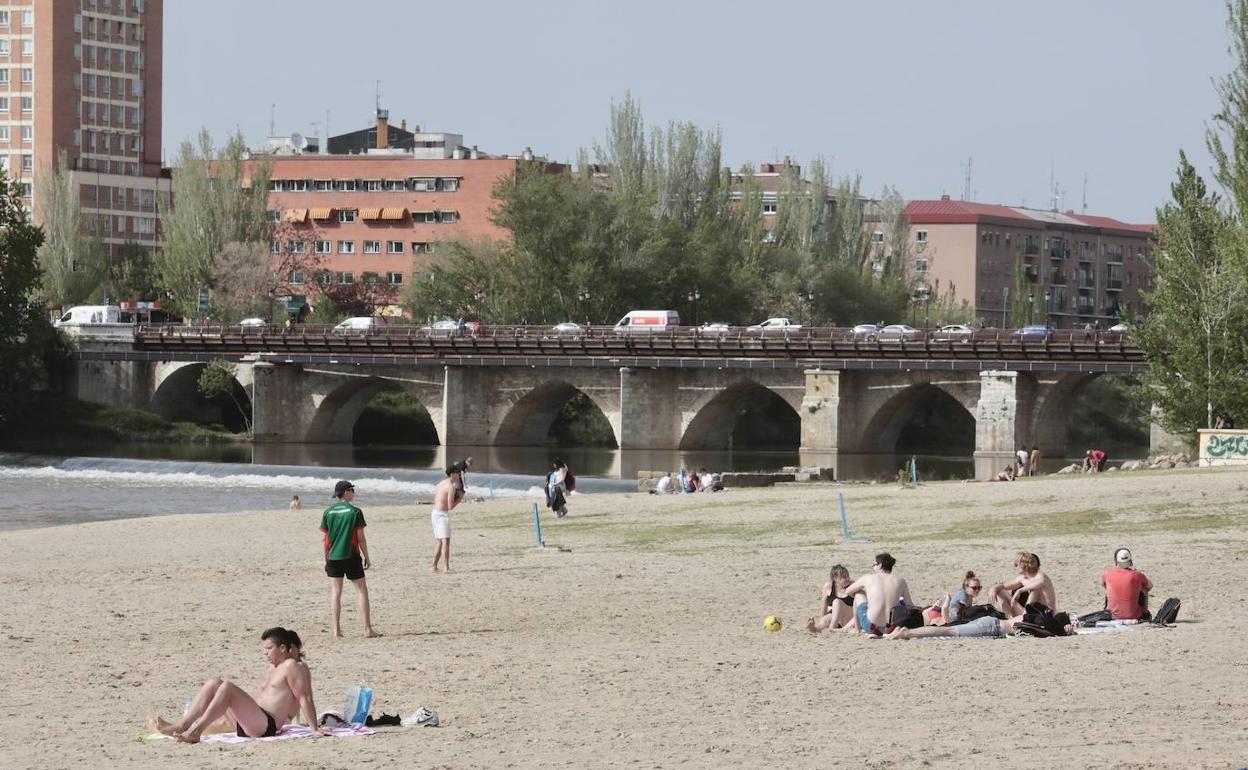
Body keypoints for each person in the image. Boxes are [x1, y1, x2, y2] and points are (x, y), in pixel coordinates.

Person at [145, 627, 331, 743]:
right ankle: (183, 725)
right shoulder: (273, 667)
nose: (265, 653)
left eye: (269, 649)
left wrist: (314, 728)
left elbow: (305, 698)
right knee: (215, 682)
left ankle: (196, 732)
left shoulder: (293, 666)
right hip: (252, 719)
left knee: (227, 687)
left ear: (283, 648)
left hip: (266, 725)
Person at [320, 481, 379, 638]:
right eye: (352, 490)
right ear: (345, 492)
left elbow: (325, 539)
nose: (354, 492)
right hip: (351, 555)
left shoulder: (328, 512)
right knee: (361, 590)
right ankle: (367, 629)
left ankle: (336, 631)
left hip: (333, 556)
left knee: (336, 592)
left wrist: (326, 559)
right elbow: (361, 537)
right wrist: (366, 556)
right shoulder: (355, 512)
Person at [841, 553, 915, 637]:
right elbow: (910, 605)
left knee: (858, 593)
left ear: (879, 565)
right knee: (900, 602)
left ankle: (857, 630)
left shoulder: (867, 578)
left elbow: (848, 591)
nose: (873, 567)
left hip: (871, 626)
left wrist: (866, 592)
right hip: (891, 627)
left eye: (874, 564)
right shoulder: (901, 581)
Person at [885, 611, 1074, 640]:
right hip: (991, 628)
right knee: (949, 631)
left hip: (990, 622)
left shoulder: (1032, 616)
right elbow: (1050, 633)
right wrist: (1066, 632)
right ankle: (906, 633)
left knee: (949, 628)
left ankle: (906, 632)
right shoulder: (1042, 626)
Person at [985, 551, 1056, 616]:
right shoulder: (1022, 578)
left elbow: (1038, 583)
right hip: (1027, 613)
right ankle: (1009, 617)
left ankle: (1024, 618)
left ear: (1024, 565)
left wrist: (1020, 591)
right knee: (1001, 591)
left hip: (1045, 614)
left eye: (1016, 564)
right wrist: (994, 588)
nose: (1015, 567)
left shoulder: (1041, 576)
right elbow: (1004, 586)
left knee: (1035, 590)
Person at [1100, 547, 1152, 620]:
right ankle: (1145, 613)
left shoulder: (1107, 575)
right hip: (1134, 616)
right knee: (1143, 589)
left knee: (1110, 590)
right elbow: (1149, 586)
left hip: (1111, 616)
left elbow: (1104, 585)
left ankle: (1110, 609)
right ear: (1130, 560)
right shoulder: (1137, 574)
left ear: (1116, 561)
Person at [806, 564, 857, 633]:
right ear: (835, 578)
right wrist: (822, 620)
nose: (848, 578)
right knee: (827, 617)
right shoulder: (828, 587)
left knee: (837, 602)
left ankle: (832, 628)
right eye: (844, 577)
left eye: (848, 576)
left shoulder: (853, 586)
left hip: (848, 619)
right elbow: (824, 605)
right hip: (834, 617)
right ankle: (816, 628)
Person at [431, 466, 463, 573]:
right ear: (452, 474)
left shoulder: (441, 483)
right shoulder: (451, 487)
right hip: (442, 515)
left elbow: (439, 498)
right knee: (446, 542)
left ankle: (434, 566)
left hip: (435, 513)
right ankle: (446, 568)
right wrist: (459, 499)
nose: (459, 475)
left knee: (440, 542)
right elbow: (450, 507)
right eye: (458, 473)